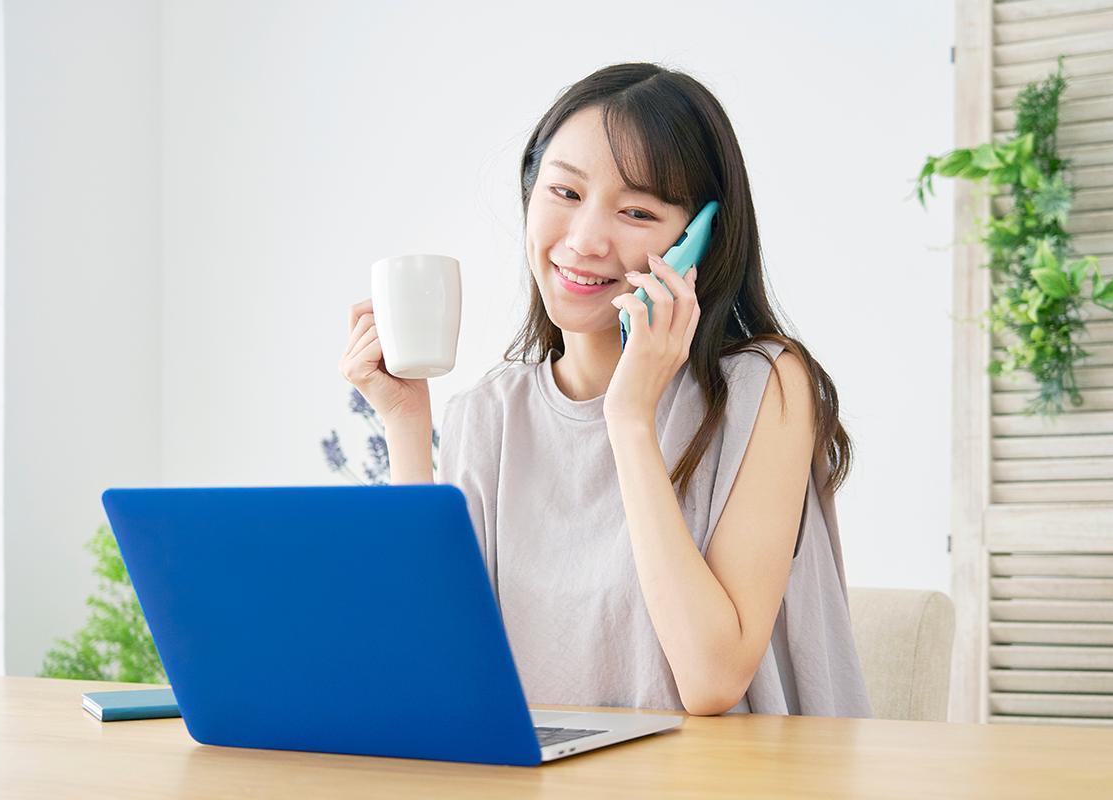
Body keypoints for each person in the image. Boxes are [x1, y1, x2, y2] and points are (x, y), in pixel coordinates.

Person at [339, 62, 872, 718]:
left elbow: (711, 678)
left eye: (638, 210)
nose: (586, 240)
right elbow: (423, 670)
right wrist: (404, 426)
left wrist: (629, 415)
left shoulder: (765, 387)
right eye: (564, 193)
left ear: (698, 237)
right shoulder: (489, 415)